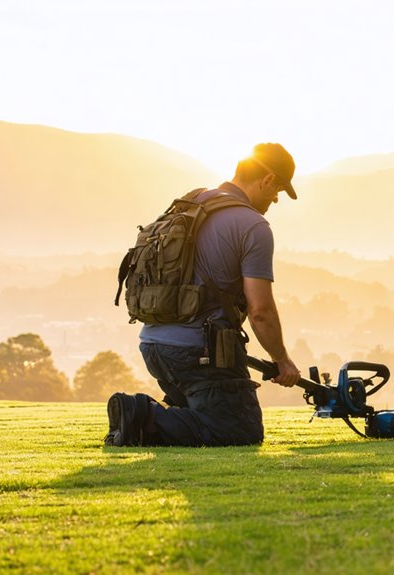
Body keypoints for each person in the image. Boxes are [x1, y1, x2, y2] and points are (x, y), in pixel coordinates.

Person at [106, 143, 302, 447]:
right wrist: (282, 360)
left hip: (154, 345)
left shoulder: (191, 203)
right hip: (200, 353)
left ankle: (151, 420)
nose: (274, 200)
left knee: (204, 418)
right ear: (267, 179)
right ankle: (141, 416)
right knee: (238, 431)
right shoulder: (253, 225)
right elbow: (260, 309)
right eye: (276, 191)